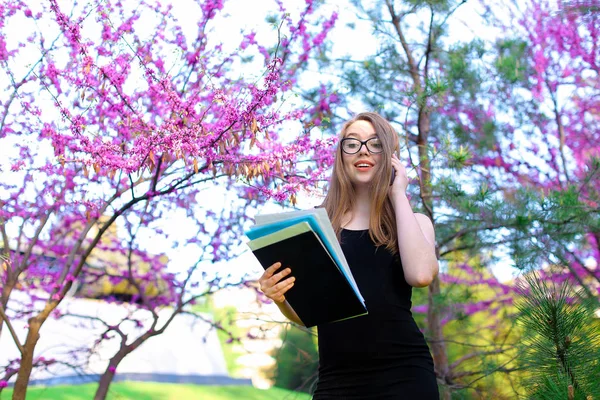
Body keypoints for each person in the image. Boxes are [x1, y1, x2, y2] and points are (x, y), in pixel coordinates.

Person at [258, 112, 440, 399]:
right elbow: (310, 314)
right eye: (352, 144)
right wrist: (279, 298)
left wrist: (398, 193)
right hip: (336, 382)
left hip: (404, 376)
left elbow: (420, 275)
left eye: (375, 143)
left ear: (390, 157)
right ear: (341, 157)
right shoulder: (317, 227)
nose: (363, 150)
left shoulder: (414, 222)